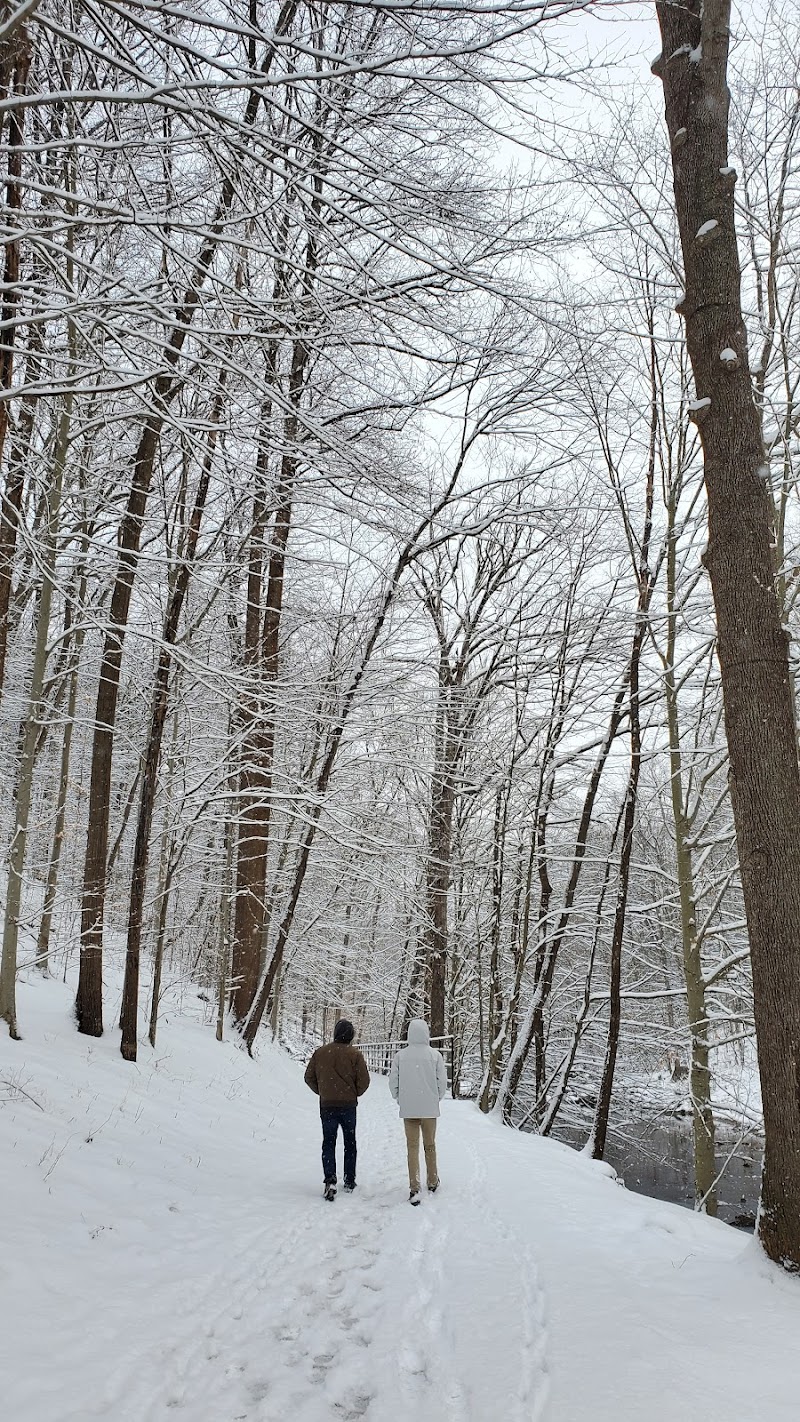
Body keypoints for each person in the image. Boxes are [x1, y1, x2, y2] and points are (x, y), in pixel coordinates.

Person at [304, 1019, 370, 1201]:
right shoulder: (355, 1055)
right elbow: (364, 1081)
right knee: (350, 1142)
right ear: (351, 1035)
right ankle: (349, 1180)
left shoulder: (321, 1053)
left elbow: (308, 1077)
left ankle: (330, 1180)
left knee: (329, 1142)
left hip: (327, 1106)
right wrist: (354, 1092)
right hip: (348, 1106)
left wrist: (323, 1091)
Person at [388, 1019, 447, 1205]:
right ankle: (432, 1181)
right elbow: (443, 1083)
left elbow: (393, 1082)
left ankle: (414, 1186)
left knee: (411, 1147)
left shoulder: (400, 1056)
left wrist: (399, 1098)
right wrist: (435, 1098)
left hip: (409, 1109)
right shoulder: (435, 1055)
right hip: (429, 1109)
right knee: (430, 1145)